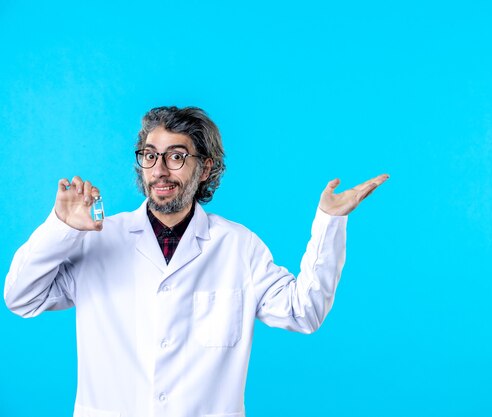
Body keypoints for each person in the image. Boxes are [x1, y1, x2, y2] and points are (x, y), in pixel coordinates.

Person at [4, 106, 389, 417]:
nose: (160, 169)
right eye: (150, 156)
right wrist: (61, 228)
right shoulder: (96, 240)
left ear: (204, 168)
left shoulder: (239, 246)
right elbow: (20, 297)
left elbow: (304, 312)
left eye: (176, 156)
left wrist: (330, 222)